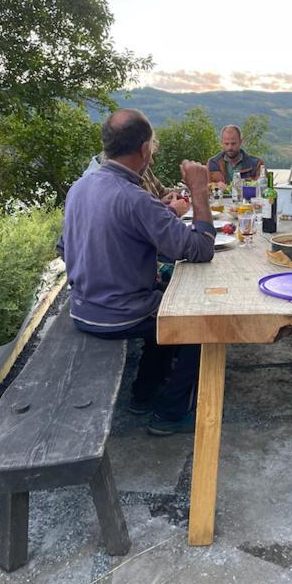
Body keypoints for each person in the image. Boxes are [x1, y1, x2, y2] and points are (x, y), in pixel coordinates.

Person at [57, 108, 215, 434]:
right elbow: (200, 250)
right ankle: (170, 414)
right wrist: (199, 191)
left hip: (83, 308)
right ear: (144, 150)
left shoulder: (79, 188)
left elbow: (63, 248)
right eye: (152, 149)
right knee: (201, 320)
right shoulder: (135, 198)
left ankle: (143, 394)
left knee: (162, 298)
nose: (152, 157)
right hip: (116, 316)